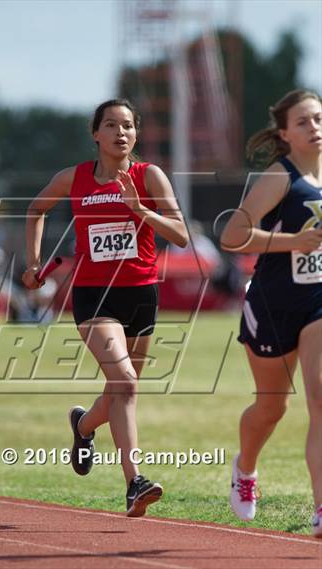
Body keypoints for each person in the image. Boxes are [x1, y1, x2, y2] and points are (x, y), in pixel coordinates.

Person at [22, 99, 189, 516]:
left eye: (129, 126)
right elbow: (35, 210)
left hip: (142, 294)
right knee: (127, 383)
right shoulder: (73, 178)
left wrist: (140, 208)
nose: (121, 133)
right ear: (95, 133)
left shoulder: (149, 176)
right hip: (95, 296)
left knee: (121, 388)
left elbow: (182, 235)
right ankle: (135, 482)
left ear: (136, 134)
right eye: (111, 125)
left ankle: (82, 426)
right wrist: (33, 263)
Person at [221, 89, 322, 537]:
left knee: (320, 399)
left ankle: (321, 509)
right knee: (272, 408)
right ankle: (245, 468)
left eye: (318, 119)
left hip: (317, 302)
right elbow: (232, 234)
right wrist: (291, 243)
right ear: (284, 133)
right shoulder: (279, 177)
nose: (315, 127)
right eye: (303, 122)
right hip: (271, 304)